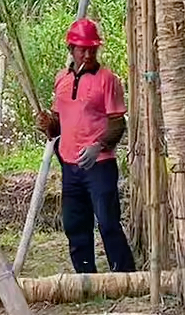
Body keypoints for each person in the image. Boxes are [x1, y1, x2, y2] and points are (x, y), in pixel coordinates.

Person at [35, 18, 136, 274]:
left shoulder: (107, 80)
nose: (89, 54)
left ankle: (124, 275)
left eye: (93, 49)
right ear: (71, 49)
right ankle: (85, 276)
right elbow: (59, 124)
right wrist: (48, 124)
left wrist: (98, 146)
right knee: (74, 223)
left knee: (108, 222)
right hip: (70, 164)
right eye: (83, 49)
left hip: (99, 165)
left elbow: (117, 122)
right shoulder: (62, 80)